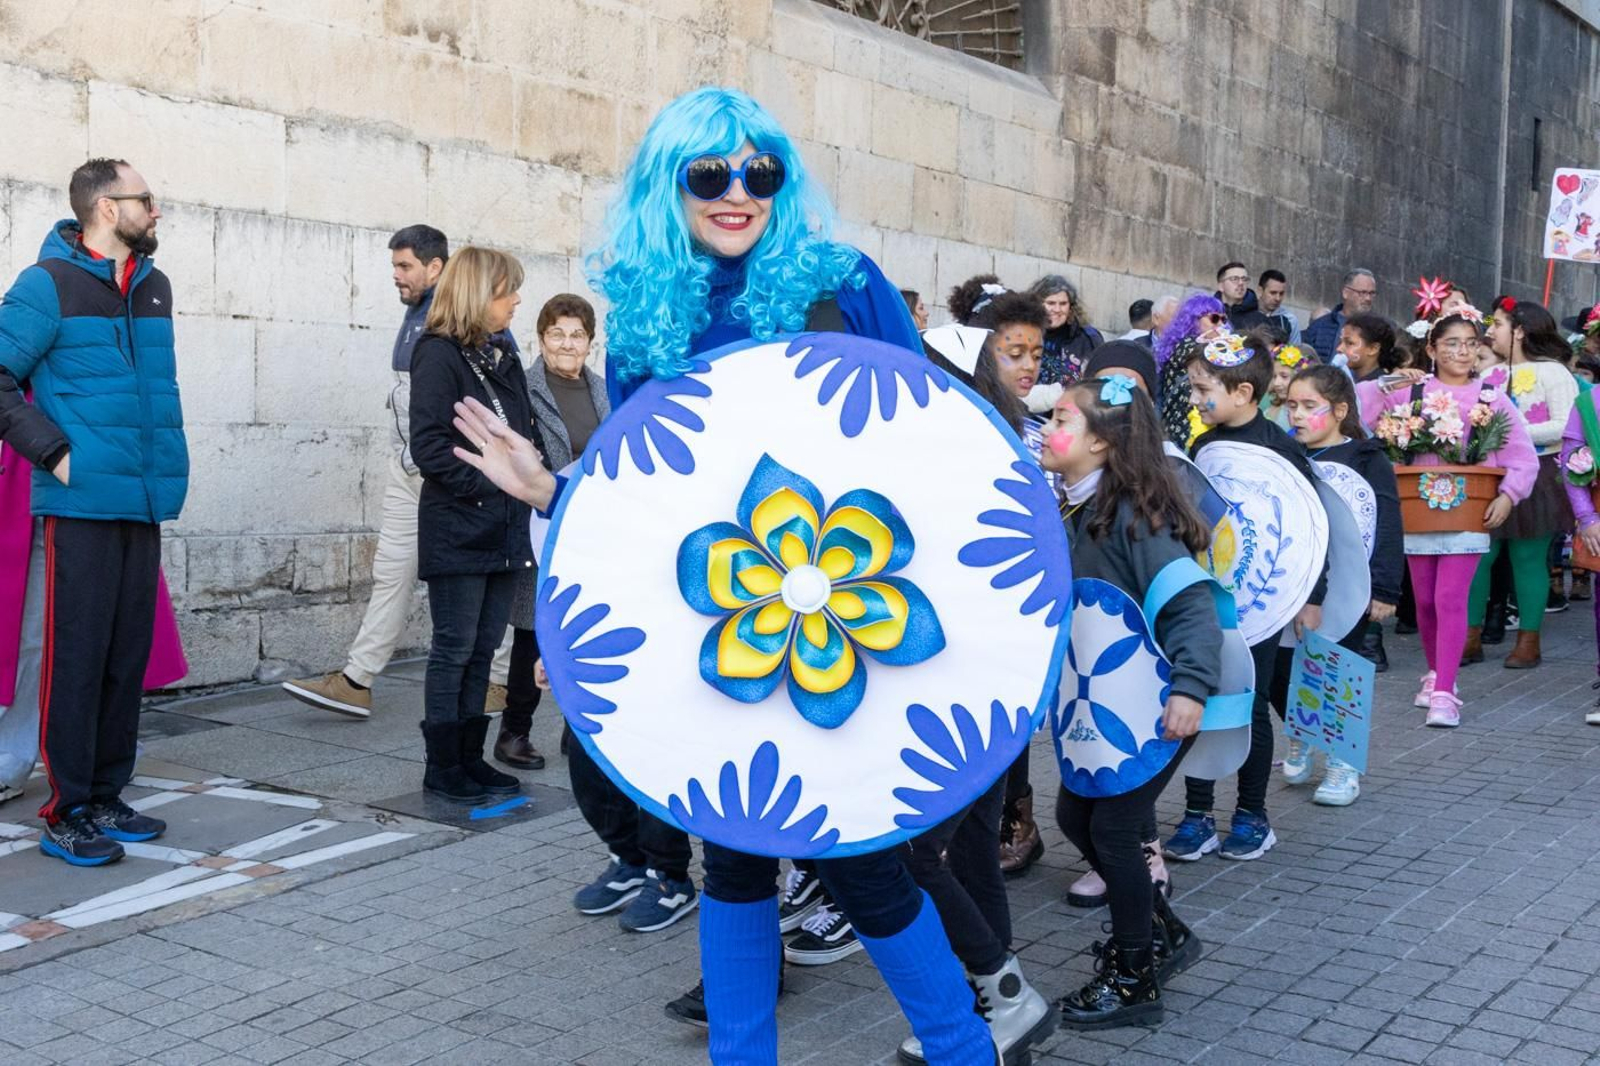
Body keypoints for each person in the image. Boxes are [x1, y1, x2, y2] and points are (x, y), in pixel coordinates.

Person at [578, 86, 995, 1063]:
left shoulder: (839, 280)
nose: (737, 194)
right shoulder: (643, 315)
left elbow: (934, 432)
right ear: (664, 187)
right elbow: (640, 494)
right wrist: (558, 496)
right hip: (724, 615)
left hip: (853, 608)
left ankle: (963, 1047)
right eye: (708, 174)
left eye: (759, 172)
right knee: (732, 855)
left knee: (861, 860)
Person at [0, 158, 186, 865]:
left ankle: (107, 791)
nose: (157, 210)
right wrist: (52, 452)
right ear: (108, 208)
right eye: (147, 198)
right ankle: (65, 807)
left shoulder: (154, 287)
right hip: (78, 504)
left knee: (121, 656)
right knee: (74, 660)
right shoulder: (46, 286)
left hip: (141, 500)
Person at [283, 225, 515, 720]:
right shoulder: (419, 315)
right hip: (411, 472)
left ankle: (496, 681)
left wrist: (482, 479)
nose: (396, 276)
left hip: (447, 478)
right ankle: (356, 679)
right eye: (394, 266)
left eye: (405, 266)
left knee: (485, 582)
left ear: (437, 268)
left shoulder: (470, 322)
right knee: (390, 574)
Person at [1042, 377, 1215, 1029]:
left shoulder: (1134, 517)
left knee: (1114, 830)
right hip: (1108, 704)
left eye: (1060, 417)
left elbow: (1192, 603)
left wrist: (1191, 689)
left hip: (1160, 701)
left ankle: (1134, 978)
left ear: (1100, 442)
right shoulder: (1076, 508)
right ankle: (1162, 930)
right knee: (1075, 816)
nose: (1047, 427)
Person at [1165, 331, 1327, 863]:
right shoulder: (1202, 445)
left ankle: (1253, 814)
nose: (1194, 399)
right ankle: (1197, 815)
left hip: (1262, 602)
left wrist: (1311, 595)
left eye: (1201, 389)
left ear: (1242, 392)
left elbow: (1311, 528)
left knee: (1250, 704)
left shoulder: (1283, 450)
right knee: (1200, 696)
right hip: (1206, 599)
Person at [1357, 311, 1537, 727]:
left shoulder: (1493, 398)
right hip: (1416, 510)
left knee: (1451, 597)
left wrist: (1509, 495)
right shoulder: (1410, 393)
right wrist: (1388, 384)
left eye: (1470, 343)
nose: (1462, 351)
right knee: (1423, 600)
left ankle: (1445, 693)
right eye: (1452, 343)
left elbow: (1522, 457)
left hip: (1468, 510)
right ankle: (1437, 670)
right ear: (1432, 349)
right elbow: (1361, 416)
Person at [408, 247, 532, 804]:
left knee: (484, 649)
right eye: (508, 291)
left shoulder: (502, 356)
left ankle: (470, 758)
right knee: (454, 648)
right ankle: (442, 766)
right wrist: (495, 482)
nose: (516, 301)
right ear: (480, 294)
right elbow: (430, 446)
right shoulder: (437, 355)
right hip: (460, 525)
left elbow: (520, 436)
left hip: (505, 529)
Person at [1273, 366, 1403, 804]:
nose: (1298, 415)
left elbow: (1386, 522)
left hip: (1349, 586)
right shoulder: (1289, 456)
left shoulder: (1366, 458)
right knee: (1296, 665)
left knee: (1339, 668)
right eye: (1291, 405)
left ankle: (1343, 766)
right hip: (1298, 584)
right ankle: (1303, 735)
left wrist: (1386, 588)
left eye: (1310, 406)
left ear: (1340, 410)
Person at [500, 293, 609, 770]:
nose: (567, 344)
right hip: (538, 520)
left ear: (590, 342)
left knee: (589, 625)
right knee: (533, 629)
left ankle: (577, 731)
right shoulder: (521, 389)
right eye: (557, 334)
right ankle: (514, 731)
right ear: (541, 338)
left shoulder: (606, 390)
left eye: (577, 335)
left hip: (593, 526)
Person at [1463, 301, 1579, 668]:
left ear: (1520, 330)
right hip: (1491, 475)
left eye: (1497, 323)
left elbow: (1565, 425)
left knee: (1528, 558)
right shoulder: (1488, 374)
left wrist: (1512, 434)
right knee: (1479, 555)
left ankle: (1529, 640)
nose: (1490, 331)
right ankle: (1470, 635)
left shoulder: (1554, 374)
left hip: (1539, 473)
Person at [1154, 293, 1228, 449]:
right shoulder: (1189, 345)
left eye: (1224, 319)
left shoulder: (1207, 345)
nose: (1220, 324)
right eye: (1214, 319)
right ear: (1194, 320)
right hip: (1182, 423)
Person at [1026, 274, 1103, 412]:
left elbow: (1096, 383)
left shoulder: (1088, 339)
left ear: (1071, 307)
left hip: (1069, 413)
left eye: (1063, 304)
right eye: (1050, 303)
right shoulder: (1024, 331)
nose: (1057, 309)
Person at [1304, 268, 1378, 362]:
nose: (1368, 298)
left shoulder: (1382, 329)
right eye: (1362, 293)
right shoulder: (1319, 327)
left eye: (1372, 293)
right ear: (1345, 293)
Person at [1215, 261, 1267, 332]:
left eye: (1244, 279)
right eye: (1234, 279)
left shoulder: (1261, 321)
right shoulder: (1209, 316)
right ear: (1221, 286)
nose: (1241, 283)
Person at [1258, 269, 1300, 344]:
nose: (1278, 298)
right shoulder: (1247, 314)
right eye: (1273, 293)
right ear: (1260, 291)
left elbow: (1295, 351)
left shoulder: (1291, 320)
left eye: (1281, 293)